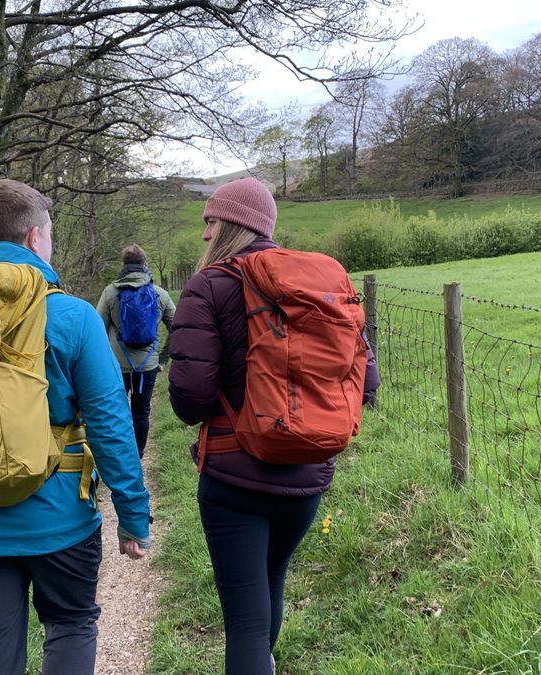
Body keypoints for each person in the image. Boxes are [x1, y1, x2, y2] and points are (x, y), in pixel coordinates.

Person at [0, 179, 153, 675]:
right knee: (71, 624)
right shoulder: (71, 315)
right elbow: (111, 424)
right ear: (34, 238)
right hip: (61, 521)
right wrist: (133, 515)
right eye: (48, 234)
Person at [167, 177, 380, 675]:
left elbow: (190, 400)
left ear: (233, 225)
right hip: (308, 471)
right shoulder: (320, 282)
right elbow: (367, 383)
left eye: (211, 221)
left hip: (232, 477)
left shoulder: (209, 285)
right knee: (270, 586)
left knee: (244, 619)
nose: (204, 234)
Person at [95, 243, 176, 457]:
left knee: (117, 411)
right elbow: (178, 327)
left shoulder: (111, 292)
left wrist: (104, 360)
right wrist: (163, 359)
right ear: (145, 264)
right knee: (141, 411)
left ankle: (119, 455)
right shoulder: (160, 294)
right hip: (147, 365)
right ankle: (137, 455)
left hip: (116, 366)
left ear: (123, 264)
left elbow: (96, 329)